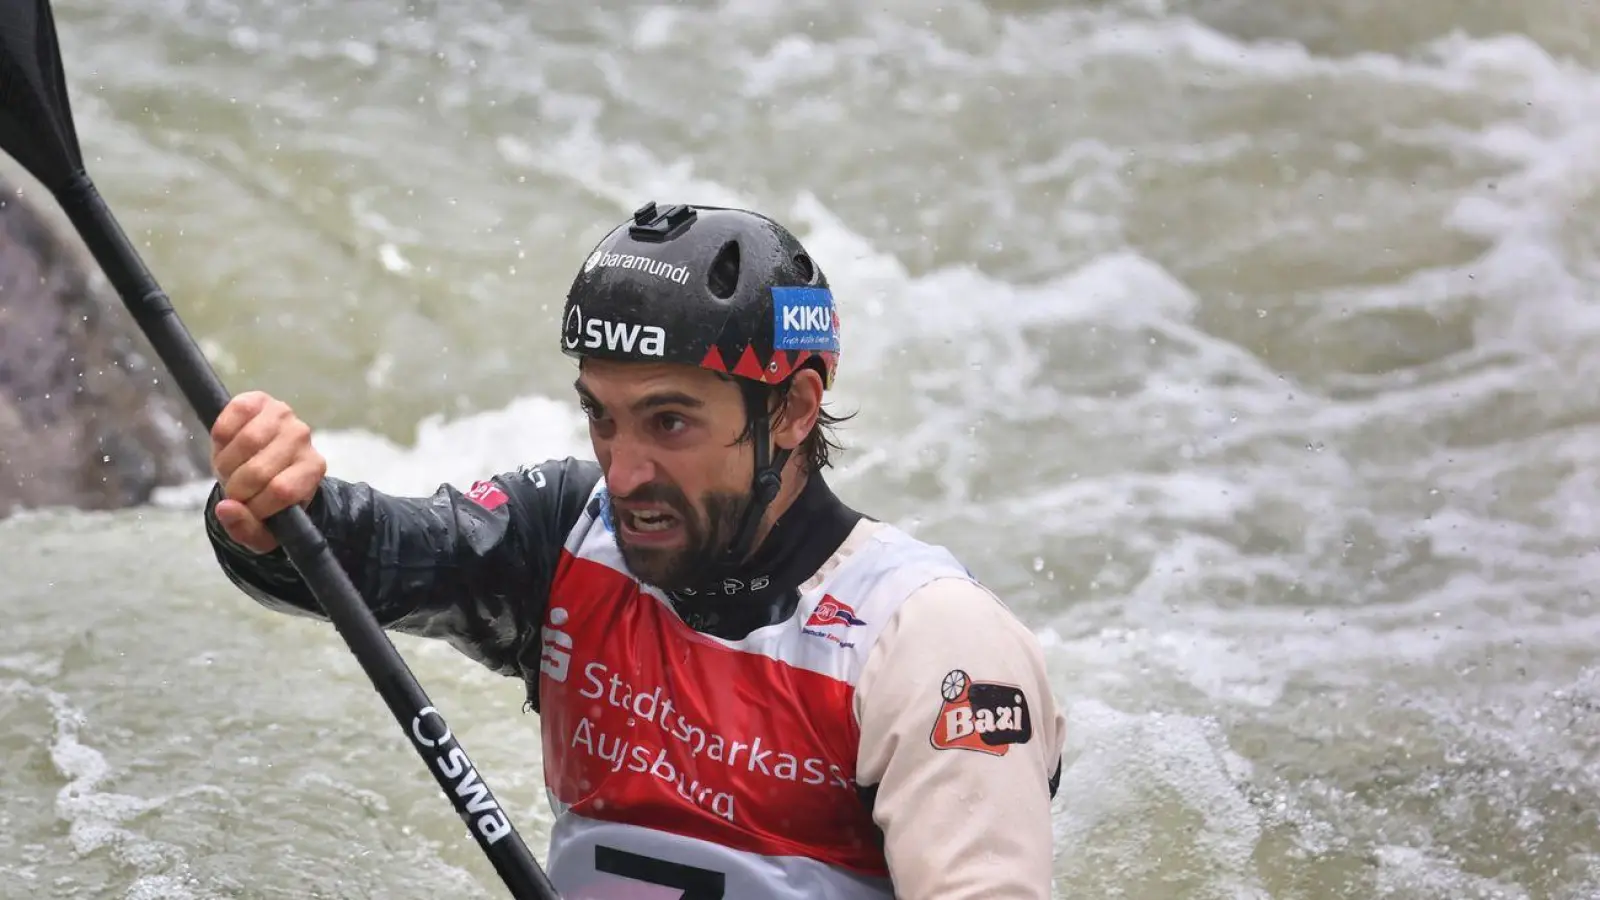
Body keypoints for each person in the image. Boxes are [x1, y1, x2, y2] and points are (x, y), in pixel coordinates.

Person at [203, 201, 1067, 899]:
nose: (625, 471)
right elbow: (359, 556)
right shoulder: (568, 541)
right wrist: (279, 502)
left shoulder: (933, 643)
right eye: (601, 417)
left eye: (670, 421)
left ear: (793, 411)